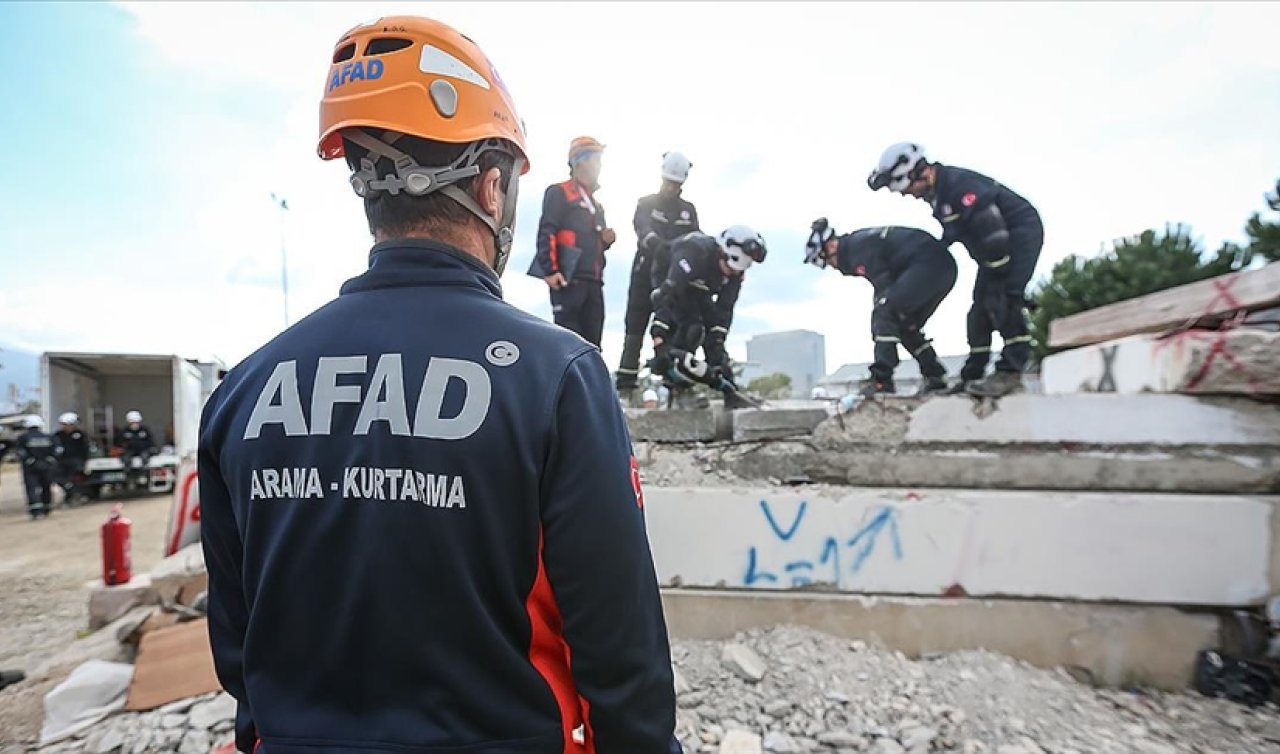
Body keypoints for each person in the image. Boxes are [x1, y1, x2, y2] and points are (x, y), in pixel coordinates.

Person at [199, 16, 678, 754]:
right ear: (492, 187)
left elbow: (239, 648)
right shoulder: (558, 379)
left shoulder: (243, 391)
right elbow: (621, 657)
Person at [868, 143, 1044, 397]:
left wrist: (999, 273)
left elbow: (992, 229)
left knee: (1003, 299)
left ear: (919, 172)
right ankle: (973, 376)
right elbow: (957, 231)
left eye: (907, 188)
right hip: (992, 249)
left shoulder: (958, 185)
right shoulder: (939, 194)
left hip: (1016, 236)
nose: (907, 194)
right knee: (978, 311)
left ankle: (1010, 373)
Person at [804, 218, 958, 396]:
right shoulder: (857, 246)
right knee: (904, 323)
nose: (831, 266)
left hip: (929, 265)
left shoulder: (858, 250)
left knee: (885, 314)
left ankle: (881, 380)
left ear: (831, 246)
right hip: (939, 267)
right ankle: (935, 375)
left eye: (826, 261)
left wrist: (881, 312)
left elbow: (884, 289)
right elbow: (885, 285)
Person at [650, 226, 766, 409]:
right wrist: (659, 338)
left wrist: (718, 348)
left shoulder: (735, 274)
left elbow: (724, 312)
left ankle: (732, 392)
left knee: (713, 336)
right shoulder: (694, 252)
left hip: (700, 287)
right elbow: (665, 298)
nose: (731, 274)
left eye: (736, 272)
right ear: (722, 253)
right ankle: (680, 390)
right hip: (669, 279)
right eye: (728, 268)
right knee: (691, 329)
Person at [616, 152, 700, 398]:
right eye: (667, 182)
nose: (670, 188)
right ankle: (626, 387)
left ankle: (677, 385)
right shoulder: (646, 203)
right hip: (644, 273)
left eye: (675, 184)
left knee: (672, 329)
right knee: (635, 327)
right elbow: (642, 227)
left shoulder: (688, 210)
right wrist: (655, 244)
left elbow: (694, 240)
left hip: (674, 279)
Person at [528, 136, 616, 348]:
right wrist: (550, 270)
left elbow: (595, 242)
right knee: (568, 343)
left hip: (594, 281)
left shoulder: (597, 205)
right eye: (596, 159)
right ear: (581, 161)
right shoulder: (559, 192)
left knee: (592, 346)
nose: (600, 165)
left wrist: (606, 240)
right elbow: (547, 229)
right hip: (568, 279)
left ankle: (590, 381)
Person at [15, 416, 56, 519]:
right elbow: (57, 450)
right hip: (46, 467)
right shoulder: (49, 437)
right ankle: (47, 508)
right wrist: (48, 461)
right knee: (46, 486)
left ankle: (36, 511)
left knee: (32, 488)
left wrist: (31, 461)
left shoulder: (22, 438)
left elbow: (20, 452)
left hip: (30, 468)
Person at [53, 412, 90, 498]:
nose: (65, 426)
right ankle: (70, 491)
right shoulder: (58, 435)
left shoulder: (80, 434)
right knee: (59, 479)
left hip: (77, 461)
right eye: (63, 424)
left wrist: (84, 461)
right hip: (62, 461)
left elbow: (85, 448)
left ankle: (75, 495)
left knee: (76, 479)